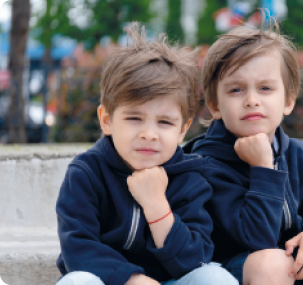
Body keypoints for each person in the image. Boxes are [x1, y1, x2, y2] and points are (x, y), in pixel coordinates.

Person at [55, 23, 238, 285]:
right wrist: (133, 279)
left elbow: (195, 258)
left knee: (216, 278)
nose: (149, 134)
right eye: (134, 118)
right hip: (108, 281)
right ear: (107, 120)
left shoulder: (191, 179)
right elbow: (78, 249)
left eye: (164, 123)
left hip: (170, 280)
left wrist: (156, 205)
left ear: (182, 129)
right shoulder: (86, 173)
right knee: (76, 282)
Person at [184, 22, 303, 285]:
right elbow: (257, 238)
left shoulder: (302, 155)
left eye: (265, 88)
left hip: (291, 261)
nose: (252, 100)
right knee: (273, 264)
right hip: (238, 269)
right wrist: (263, 169)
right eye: (236, 89)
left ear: (288, 100)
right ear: (215, 105)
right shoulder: (205, 165)